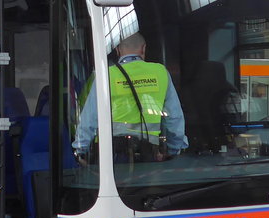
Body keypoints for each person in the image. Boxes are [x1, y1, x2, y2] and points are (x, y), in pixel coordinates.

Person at [72, 32, 187, 162]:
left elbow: (90, 117)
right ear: (144, 48)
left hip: (111, 154)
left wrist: (80, 150)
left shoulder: (106, 75)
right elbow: (174, 117)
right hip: (148, 153)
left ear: (117, 50)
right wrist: (174, 149)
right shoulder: (161, 72)